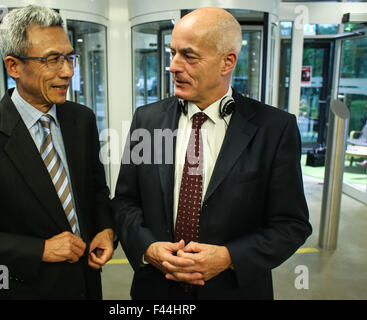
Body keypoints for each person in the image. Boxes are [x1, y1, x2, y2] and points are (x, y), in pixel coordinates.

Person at [112, 7, 312, 300]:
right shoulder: (148, 120)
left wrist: (230, 256)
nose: (174, 66)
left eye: (189, 56)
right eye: (172, 53)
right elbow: (125, 202)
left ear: (227, 61)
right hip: (156, 290)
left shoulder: (274, 128)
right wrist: (148, 248)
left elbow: (291, 225)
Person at [0, 5, 114, 300]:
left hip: (87, 286)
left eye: (69, 58)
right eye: (52, 60)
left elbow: (96, 190)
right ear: (13, 66)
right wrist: (38, 250)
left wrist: (105, 228)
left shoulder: (82, 120)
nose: (67, 72)